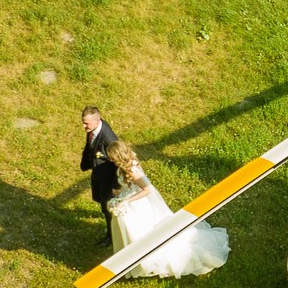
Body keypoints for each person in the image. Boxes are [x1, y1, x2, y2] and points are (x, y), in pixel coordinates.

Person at [103, 139, 229, 278]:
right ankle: (134, 260)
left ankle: (146, 260)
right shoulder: (124, 166)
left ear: (118, 156)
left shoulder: (132, 170)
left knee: (142, 231)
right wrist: (119, 194)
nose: (110, 159)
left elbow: (148, 189)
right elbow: (131, 186)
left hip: (138, 205)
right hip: (129, 200)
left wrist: (126, 201)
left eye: (111, 156)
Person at [80, 106, 120, 244]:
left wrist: (115, 186)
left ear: (97, 121)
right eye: (83, 122)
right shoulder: (93, 128)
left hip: (108, 179)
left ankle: (111, 236)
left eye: (87, 123)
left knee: (108, 208)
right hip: (98, 173)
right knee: (100, 200)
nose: (84, 126)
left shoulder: (109, 139)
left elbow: (118, 162)